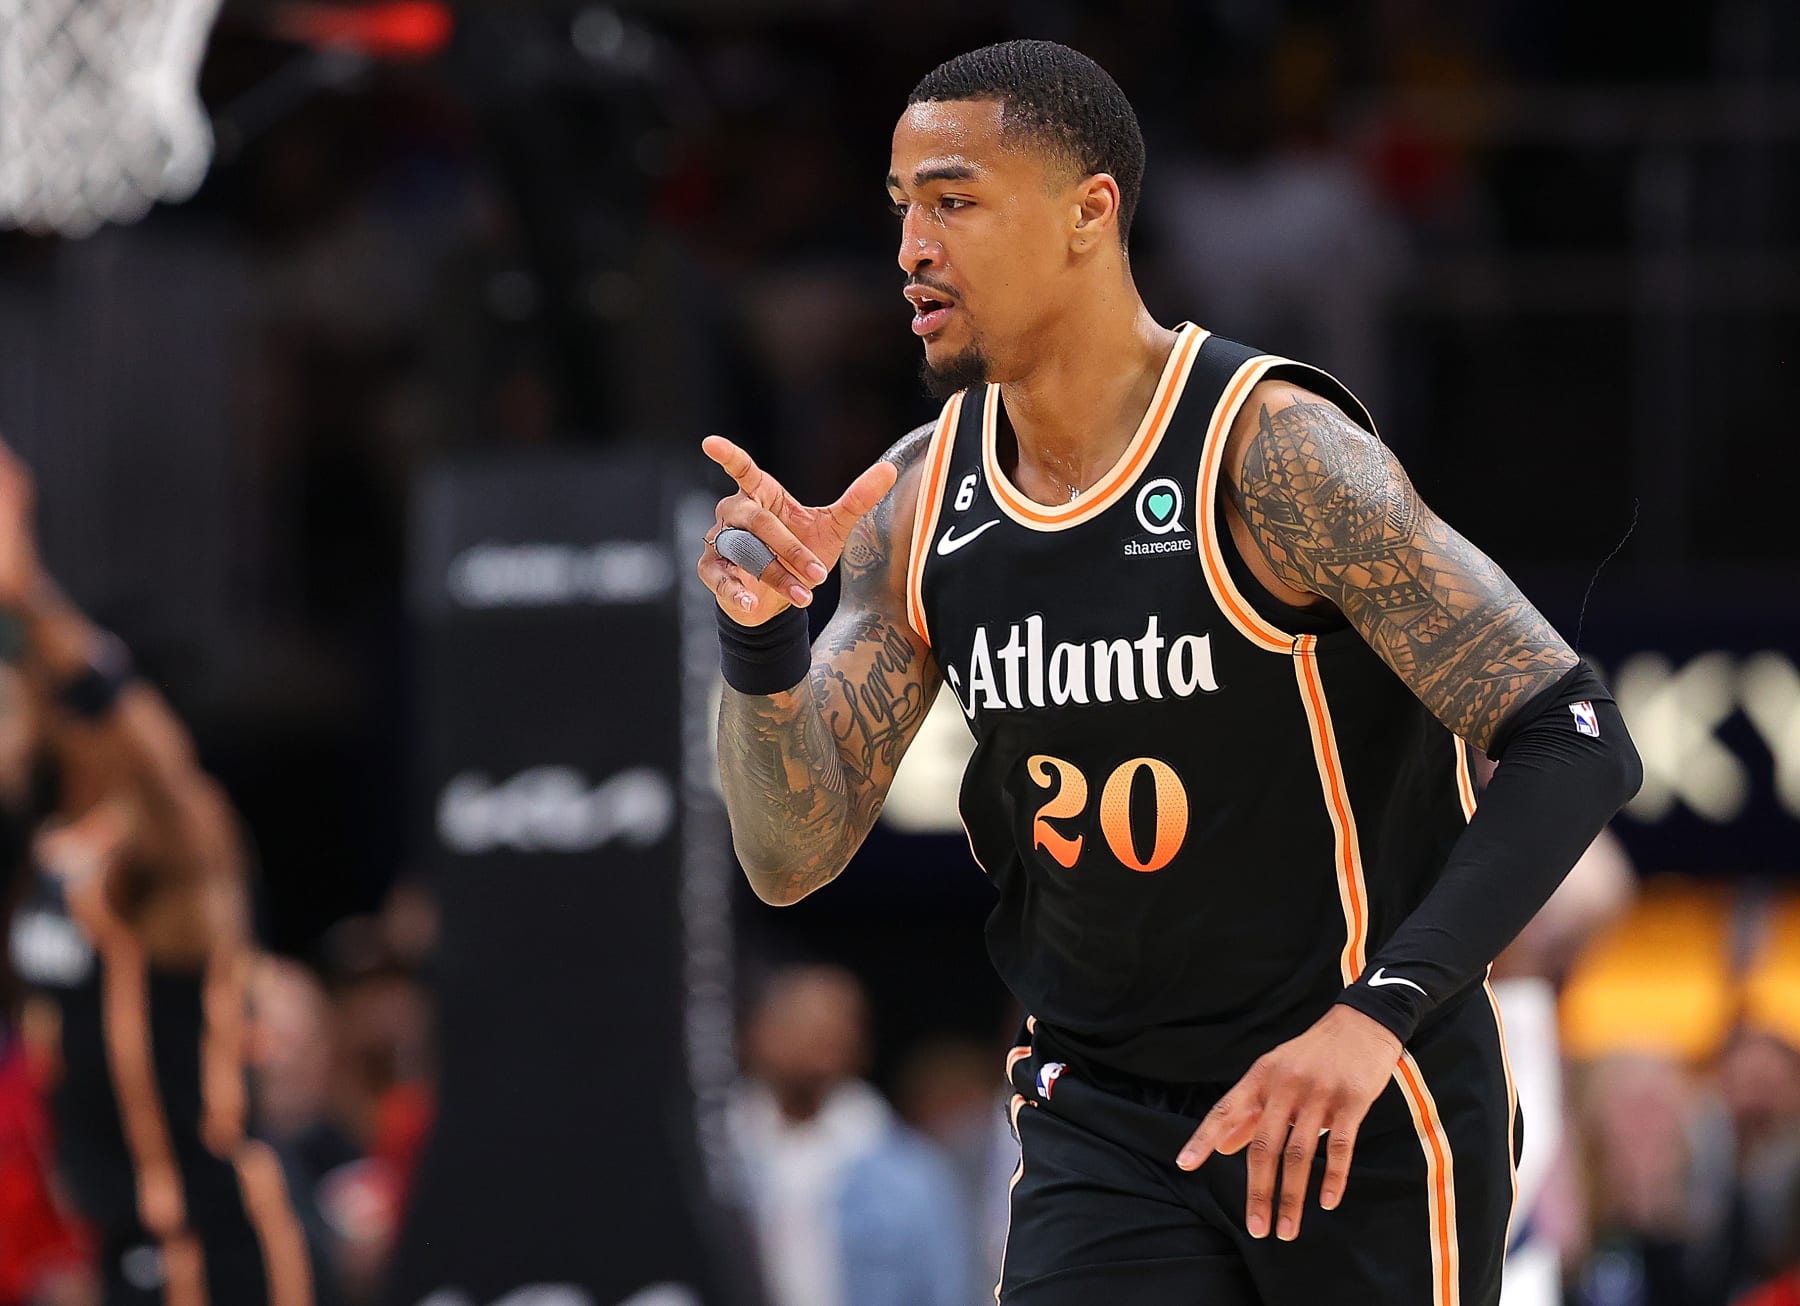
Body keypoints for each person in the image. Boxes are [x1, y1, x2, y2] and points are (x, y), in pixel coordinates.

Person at [696, 38, 1642, 1306]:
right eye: (901, 208)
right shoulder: (921, 499)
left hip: (1350, 1088)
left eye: (954, 200)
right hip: (1104, 1116)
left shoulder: (1274, 453)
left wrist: (1381, 1014)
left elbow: (1576, 733)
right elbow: (787, 850)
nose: (913, 247)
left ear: (1090, 212)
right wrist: (764, 643)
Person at [0, 439, 313, 1305]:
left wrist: (28, 590)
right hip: (116, 1241)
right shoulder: (49, 853)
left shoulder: (167, 848)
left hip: (216, 1246)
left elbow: (162, 770)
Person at [727, 965, 972, 1306]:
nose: (820, 1040)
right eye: (802, 1024)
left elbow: (946, 1290)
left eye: (835, 1027)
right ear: (758, 1031)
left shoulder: (909, 1171)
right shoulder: (719, 1153)